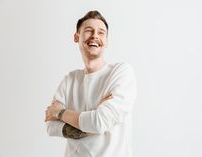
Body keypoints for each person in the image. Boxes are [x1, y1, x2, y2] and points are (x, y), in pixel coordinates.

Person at [45, 10, 137, 157]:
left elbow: (100, 121)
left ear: (106, 41)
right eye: (88, 30)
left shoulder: (121, 72)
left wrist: (60, 113)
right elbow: (51, 126)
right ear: (76, 37)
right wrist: (92, 121)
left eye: (101, 32)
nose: (95, 36)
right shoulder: (70, 79)